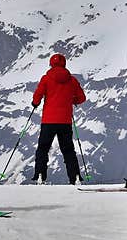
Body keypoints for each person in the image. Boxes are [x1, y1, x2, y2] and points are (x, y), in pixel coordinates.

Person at [31, 53, 87, 184]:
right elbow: (82, 98)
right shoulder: (72, 80)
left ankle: (40, 175)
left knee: (43, 148)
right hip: (65, 121)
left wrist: (35, 103)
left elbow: (38, 95)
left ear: (51, 64)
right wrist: (72, 100)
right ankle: (75, 177)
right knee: (68, 150)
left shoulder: (46, 79)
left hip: (48, 121)